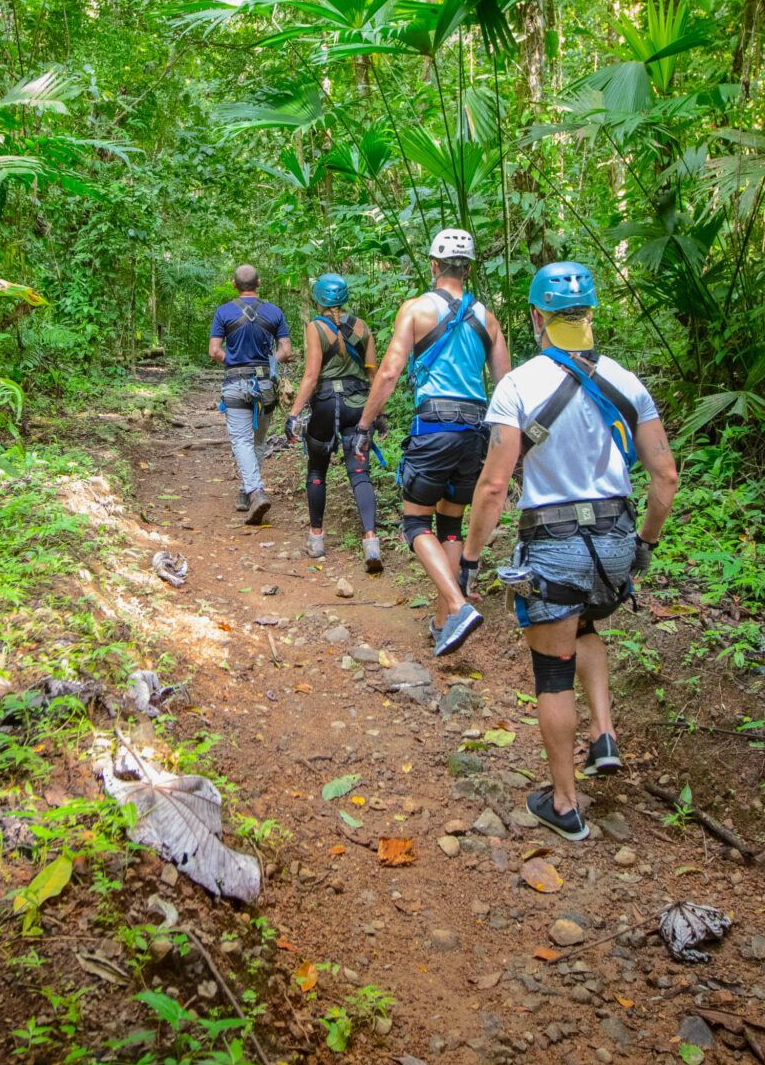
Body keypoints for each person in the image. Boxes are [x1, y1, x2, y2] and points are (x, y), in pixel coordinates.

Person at [460, 261, 679, 842]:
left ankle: (564, 803)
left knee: (551, 673)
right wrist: (643, 548)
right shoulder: (628, 382)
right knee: (585, 630)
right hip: (613, 544)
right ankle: (603, 734)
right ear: (591, 315)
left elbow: (493, 486)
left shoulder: (516, 386)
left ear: (537, 318)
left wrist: (471, 560)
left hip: (553, 545)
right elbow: (665, 479)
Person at [352, 229, 510, 652]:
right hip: (476, 432)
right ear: (469, 268)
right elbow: (506, 387)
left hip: (435, 429)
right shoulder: (488, 319)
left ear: (434, 266)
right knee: (451, 524)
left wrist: (365, 425)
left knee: (415, 522)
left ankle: (457, 607)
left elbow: (388, 373)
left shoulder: (416, 309)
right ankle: (443, 624)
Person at [285, 273, 385, 570]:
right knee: (360, 472)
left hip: (327, 403)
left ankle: (316, 538)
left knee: (317, 469)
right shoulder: (364, 327)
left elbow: (312, 375)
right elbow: (373, 375)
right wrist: (377, 412)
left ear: (319, 299)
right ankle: (371, 541)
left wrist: (293, 413)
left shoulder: (316, 328)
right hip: (358, 404)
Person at [208, 264, 290, 523]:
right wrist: (268, 363)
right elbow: (285, 350)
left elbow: (214, 351)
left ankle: (252, 490)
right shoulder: (274, 312)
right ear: (259, 283)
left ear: (234, 284)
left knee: (241, 441)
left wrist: (232, 361)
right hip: (265, 385)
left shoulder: (224, 312)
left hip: (235, 383)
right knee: (257, 441)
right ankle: (248, 491)